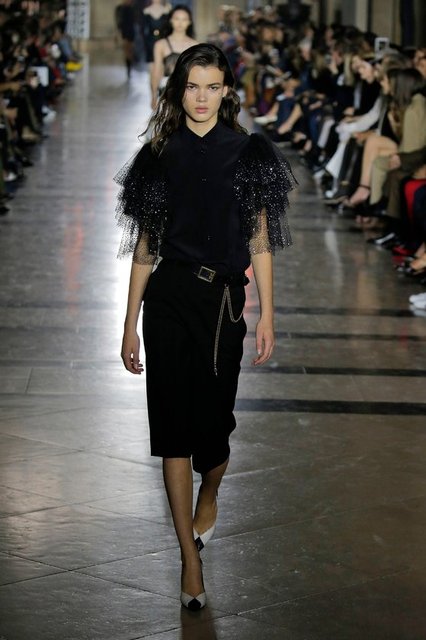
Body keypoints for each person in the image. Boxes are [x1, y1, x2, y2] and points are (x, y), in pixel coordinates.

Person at [115, 43, 295, 610]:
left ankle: (209, 492)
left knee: (214, 434)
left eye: (212, 86)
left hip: (222, 303)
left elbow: (260, 240)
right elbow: (146, 246)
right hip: (168, 298)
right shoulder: (158, 155)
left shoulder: (247, 153)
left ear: (226, 91)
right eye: (192, 86)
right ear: (179, 89)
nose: (201, 97)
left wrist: (267, 312)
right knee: (172, 430)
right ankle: (188, 560)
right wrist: (129, 324)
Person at [149, 4, 197, 109]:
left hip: (189, 94)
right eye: (177, 19)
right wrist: (153, 96)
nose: (180, 23)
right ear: (171, 20)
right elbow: (157, 70)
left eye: (184, 19)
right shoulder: (161, 45)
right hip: (167, 93)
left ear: (189, 22)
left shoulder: (195, 45)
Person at [141, 0, 170, 69]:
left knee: (162, 63)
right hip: (150, 40)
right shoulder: (146, 11)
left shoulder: (167, 10)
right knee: (151, 64)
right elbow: (143, 28)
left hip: (163, 39)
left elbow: (169, 28)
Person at [115, 0, 136, 79]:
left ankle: (130, 67)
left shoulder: (133, 8)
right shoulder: (120, 8)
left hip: (132, 32)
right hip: (125, 32)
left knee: (130, 51)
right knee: (127, 51)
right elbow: (118, 22)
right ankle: (129, 68)